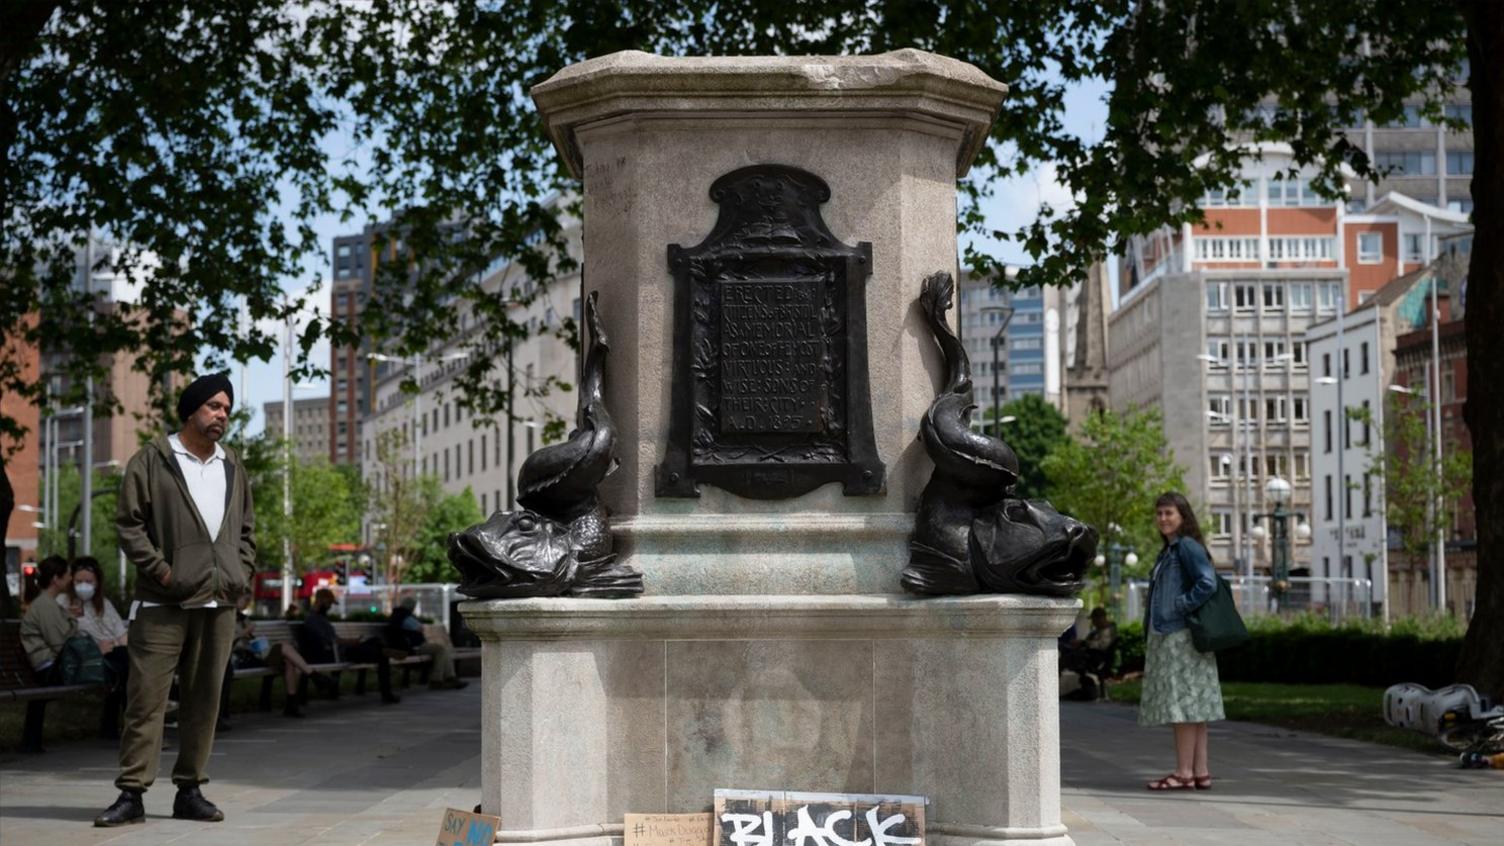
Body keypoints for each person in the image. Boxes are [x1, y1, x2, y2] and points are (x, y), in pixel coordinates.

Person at [94, 373, 255, 828]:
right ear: (191, 411)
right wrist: (164, 573)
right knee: (146, 700)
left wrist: (239, 572)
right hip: (163, 604)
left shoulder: (232, 465)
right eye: (213, 406)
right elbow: (130, 526)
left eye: (226, 407)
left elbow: (246, 531)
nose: (222, 414)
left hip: (218, 604)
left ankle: (190, 789)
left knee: (205, 701)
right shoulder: (153, 460)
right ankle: (131, 793)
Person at [1139, 491, 1224, 791]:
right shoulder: (1172, 550)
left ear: (1182, 516)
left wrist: (1180, 604)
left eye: (1169, 513)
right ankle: (1200, 771)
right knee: (1195, 708)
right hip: (1179, 634)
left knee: (1183, 709)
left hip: (1180, 636)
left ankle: (1184, 772)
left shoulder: (1186, 547)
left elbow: (1207, 582)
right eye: (1159, 513)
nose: (1163, 519)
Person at [298, 588, 400, 704]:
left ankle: (382, 649)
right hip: (339, 654)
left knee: (375, 642)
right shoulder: (313, 620)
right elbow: (332, 641)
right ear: (322, 601)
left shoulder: (320, 619)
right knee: (381, 655)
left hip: (342, 651)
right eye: (329, 603)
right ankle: (387, 694)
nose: (330, 607)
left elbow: (333, 640)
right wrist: (350, 642)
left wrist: (352, 642)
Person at [70, 557, 130, 738]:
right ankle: (128, 725)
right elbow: (74, 635)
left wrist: (116, 644)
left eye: (88, 581)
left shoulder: (103, 604)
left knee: (127, 662)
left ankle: (117, 724)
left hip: (114, 652)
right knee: (127, 667)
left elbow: (121, 633)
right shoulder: (66, 604)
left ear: (97, 583)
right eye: (78, 581)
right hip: (91, 658)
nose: (83, 586)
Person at [384, 596, 466, 691]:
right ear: (411, 606)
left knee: (442, 650)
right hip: (412, 648)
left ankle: (449, 678)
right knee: (440, 649)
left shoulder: (399, 614)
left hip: (412, 646)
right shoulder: (402, 615)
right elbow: (419, 628)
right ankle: (438, 680)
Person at [19, 556, 79, 685]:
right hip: (49, 669)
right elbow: (61, 643)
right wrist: (72, 620)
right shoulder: (45, 605)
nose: (70, 579)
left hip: (51, 666)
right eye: (68, 575)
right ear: (56, 579)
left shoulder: (47, 603)